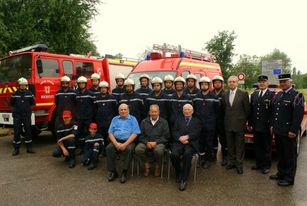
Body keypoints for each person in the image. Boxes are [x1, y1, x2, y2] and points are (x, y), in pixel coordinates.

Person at [269, 74, 304, 186]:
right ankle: (281, 173)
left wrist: (293, 130)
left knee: (290, 156)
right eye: (281, 81)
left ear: (290, 82)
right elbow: (275, 112)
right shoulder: (278, 95)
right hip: (278, 131)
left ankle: (289, 178)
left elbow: (298, 115)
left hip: (288, 132)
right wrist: (273, 126)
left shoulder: (296, 95)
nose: (283, 83)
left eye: (285, 81)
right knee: (281, 154)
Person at [221, 76, 250, 175]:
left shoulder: (243, 94)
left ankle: (239, 164)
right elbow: (224, 109)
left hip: (239, 124)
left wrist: (247, 122)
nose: (232, 83)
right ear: (227, 83)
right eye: (230, 82)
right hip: (228, 124)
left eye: (233, 81)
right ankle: (231, 162)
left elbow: (247, 110)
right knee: (230, 145)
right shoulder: (224, 94)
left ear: (237, 83)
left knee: (239, 146)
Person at [106, 104, 141, 183]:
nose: (123, 111)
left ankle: (124, 172)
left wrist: (125, 144)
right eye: (121, 110)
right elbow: (110, 133)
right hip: (116, 140)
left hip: (129, 141)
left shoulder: (133, 119)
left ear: (128, 110)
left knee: (129, 149)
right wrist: (115, 143)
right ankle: (112, 171)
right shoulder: (114, 119)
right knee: (109, 148)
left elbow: (135, 133)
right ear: (118, 111)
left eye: (125, 109)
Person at [171, 104, 201, 191]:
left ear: (192, 111)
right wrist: (180, 138)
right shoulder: (178, 119)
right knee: (173, 154)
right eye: (185, 110)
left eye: (189, 110)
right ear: (183, 111)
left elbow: (197, 133)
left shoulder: (197, 121)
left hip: (190, 143)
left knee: (187, 154)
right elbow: (174, 131)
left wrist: (187, 137)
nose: (187, 111)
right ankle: (179, 171)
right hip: (178, 142)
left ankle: (184, 179)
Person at [249, 75, 275, 174]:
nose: (262, 83)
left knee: (266, 147)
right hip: (256, 125)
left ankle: (266, 165)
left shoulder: (272, 95)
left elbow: (273, 112)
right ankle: (258, 164)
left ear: (267, 83)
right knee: (257, 146)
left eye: (264, 82)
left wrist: (272, 125)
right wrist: (250, 123)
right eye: (260, 82)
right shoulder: (254, 95)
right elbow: (252, 110)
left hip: (266, 126)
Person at [135, 104, 170, 177]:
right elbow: (140, 135)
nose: (154, 113)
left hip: (159, 142)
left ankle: (158, 166)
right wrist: (146, 142)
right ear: (149, 112)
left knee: (158, 150)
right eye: (152, 112)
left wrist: (156, 142)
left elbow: (166, 136)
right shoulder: (144, 121)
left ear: (159, 112)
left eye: (155, 112)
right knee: (138, 149)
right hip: (146, 142)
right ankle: (146, 164)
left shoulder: (164, 122)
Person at [193, 76, 219, 169]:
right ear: (200, 85)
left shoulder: (214, 97)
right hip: (199, 125)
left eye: (205, 84)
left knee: (209, 143)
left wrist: (213, 122)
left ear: (209, 85)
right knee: (200, 143)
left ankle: (208, 160)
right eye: (202, 84)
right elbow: (194, 110)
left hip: (210, 125)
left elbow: (217, 111)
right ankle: (201, 159)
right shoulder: (196, 97)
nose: (204, 86)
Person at [11, 77, 35, 156]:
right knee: (17, 132)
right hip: (17, 115)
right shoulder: (14, 94)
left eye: (24, 85)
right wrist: (15, 112)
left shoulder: (30, 94)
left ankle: (29, 148)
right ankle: (16, 149)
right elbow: (12, 104)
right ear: (19, 85)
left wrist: (28, 111)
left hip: (26, 115)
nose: (23, 86)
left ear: (26, 85)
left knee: (28, 131)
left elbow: (32, 104)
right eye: (21, 85)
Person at [94, 81, 117, 146]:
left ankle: (109, 149)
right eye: (102, 88)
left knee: (110, 136)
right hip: (100, 122)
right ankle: (102, 150)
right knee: (101, 136)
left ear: (107, 89)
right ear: (100, 89)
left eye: (105, 88)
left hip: (110, 122)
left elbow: (115, 110)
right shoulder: (96, 98)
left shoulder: (112, 98)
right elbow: (95, 110)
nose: (103, 89)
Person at [75, 76, 94, 152]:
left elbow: (94, 106)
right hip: (79, 118)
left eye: (83, 83)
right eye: (80, 83)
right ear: (78, 84)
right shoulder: (75, 93)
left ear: (85, 84)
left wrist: (92, 116)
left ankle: (89, 147)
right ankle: (81, 148)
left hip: (88, 117)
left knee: (89, 133)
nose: (81, 85)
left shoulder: (90, 93)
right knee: (80, 133)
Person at [212, 75, 227, 166]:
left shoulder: (225, 94)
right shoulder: (210, 93)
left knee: (223, 140)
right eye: (215, 82)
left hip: (222, 121)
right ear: (213, 84)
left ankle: (225, 158)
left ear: (221, 84)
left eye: (219, 82)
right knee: (213, 139)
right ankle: (213, 156)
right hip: (212, 121)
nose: (217, 84)